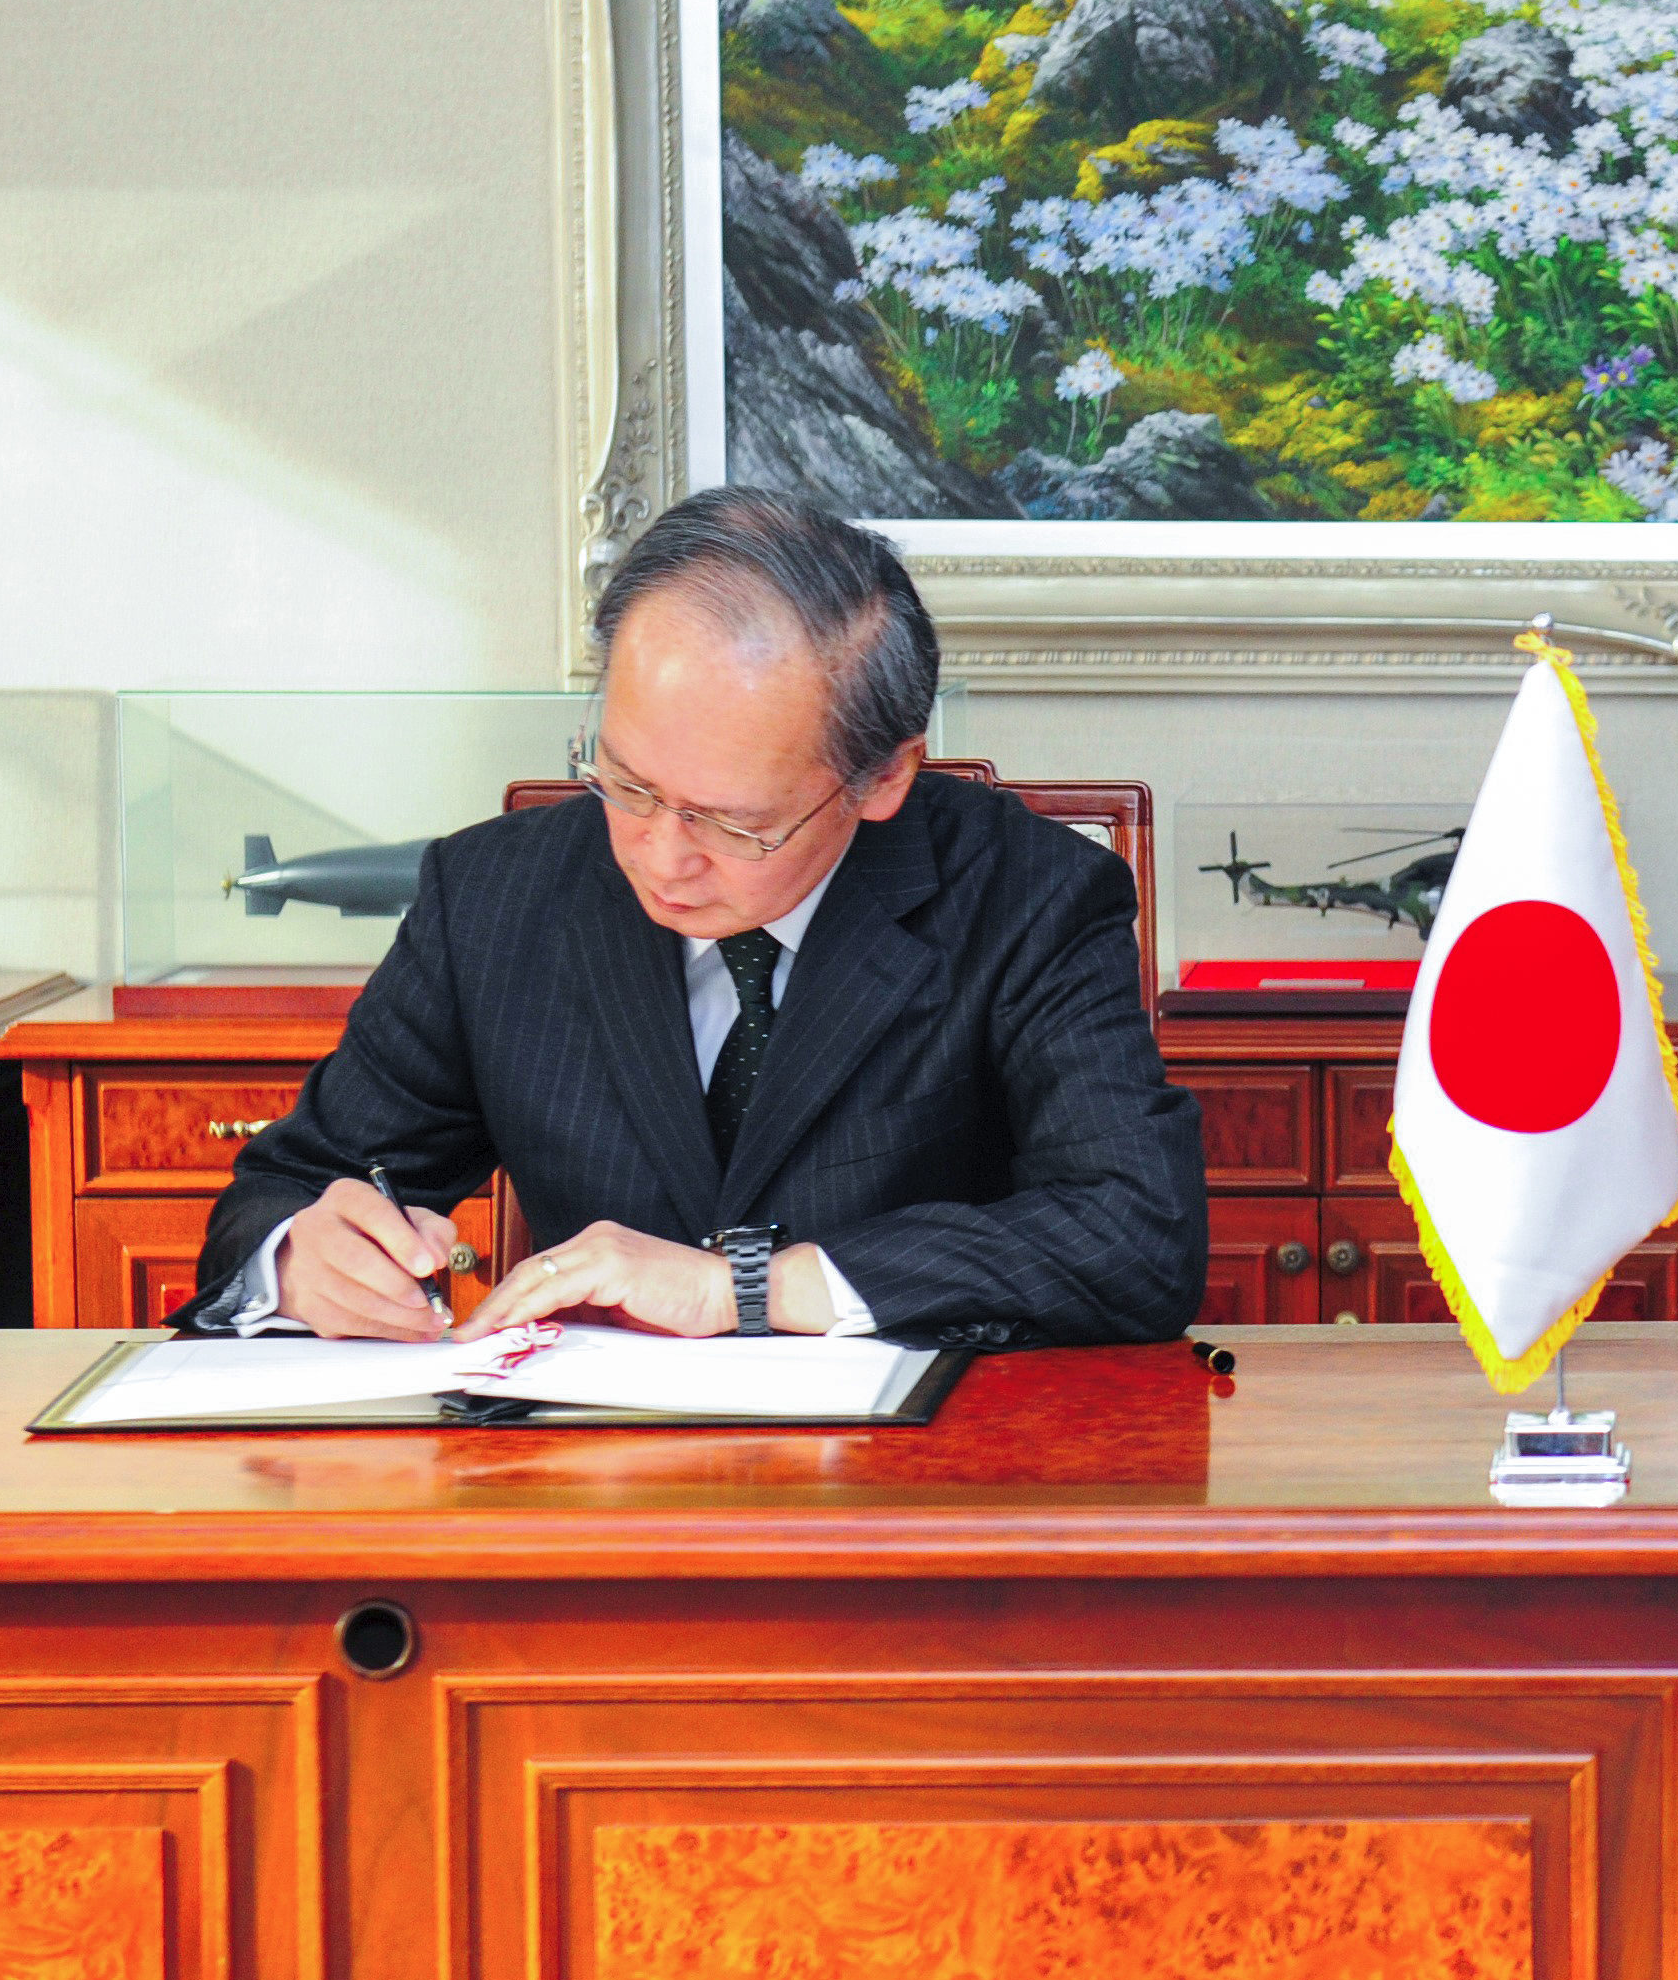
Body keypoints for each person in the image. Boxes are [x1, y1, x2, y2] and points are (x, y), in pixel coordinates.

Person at [191, 486, 1205, 1348]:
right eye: (626, 783)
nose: (660, 854)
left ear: (885, 773)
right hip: (586, 1503)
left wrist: (747, 1289)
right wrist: (299, 1259)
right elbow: (281, 1192)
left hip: (913, 1504)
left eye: (732, 821)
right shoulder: (492, 896)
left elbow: (1133, 1237)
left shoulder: (1025, 898)